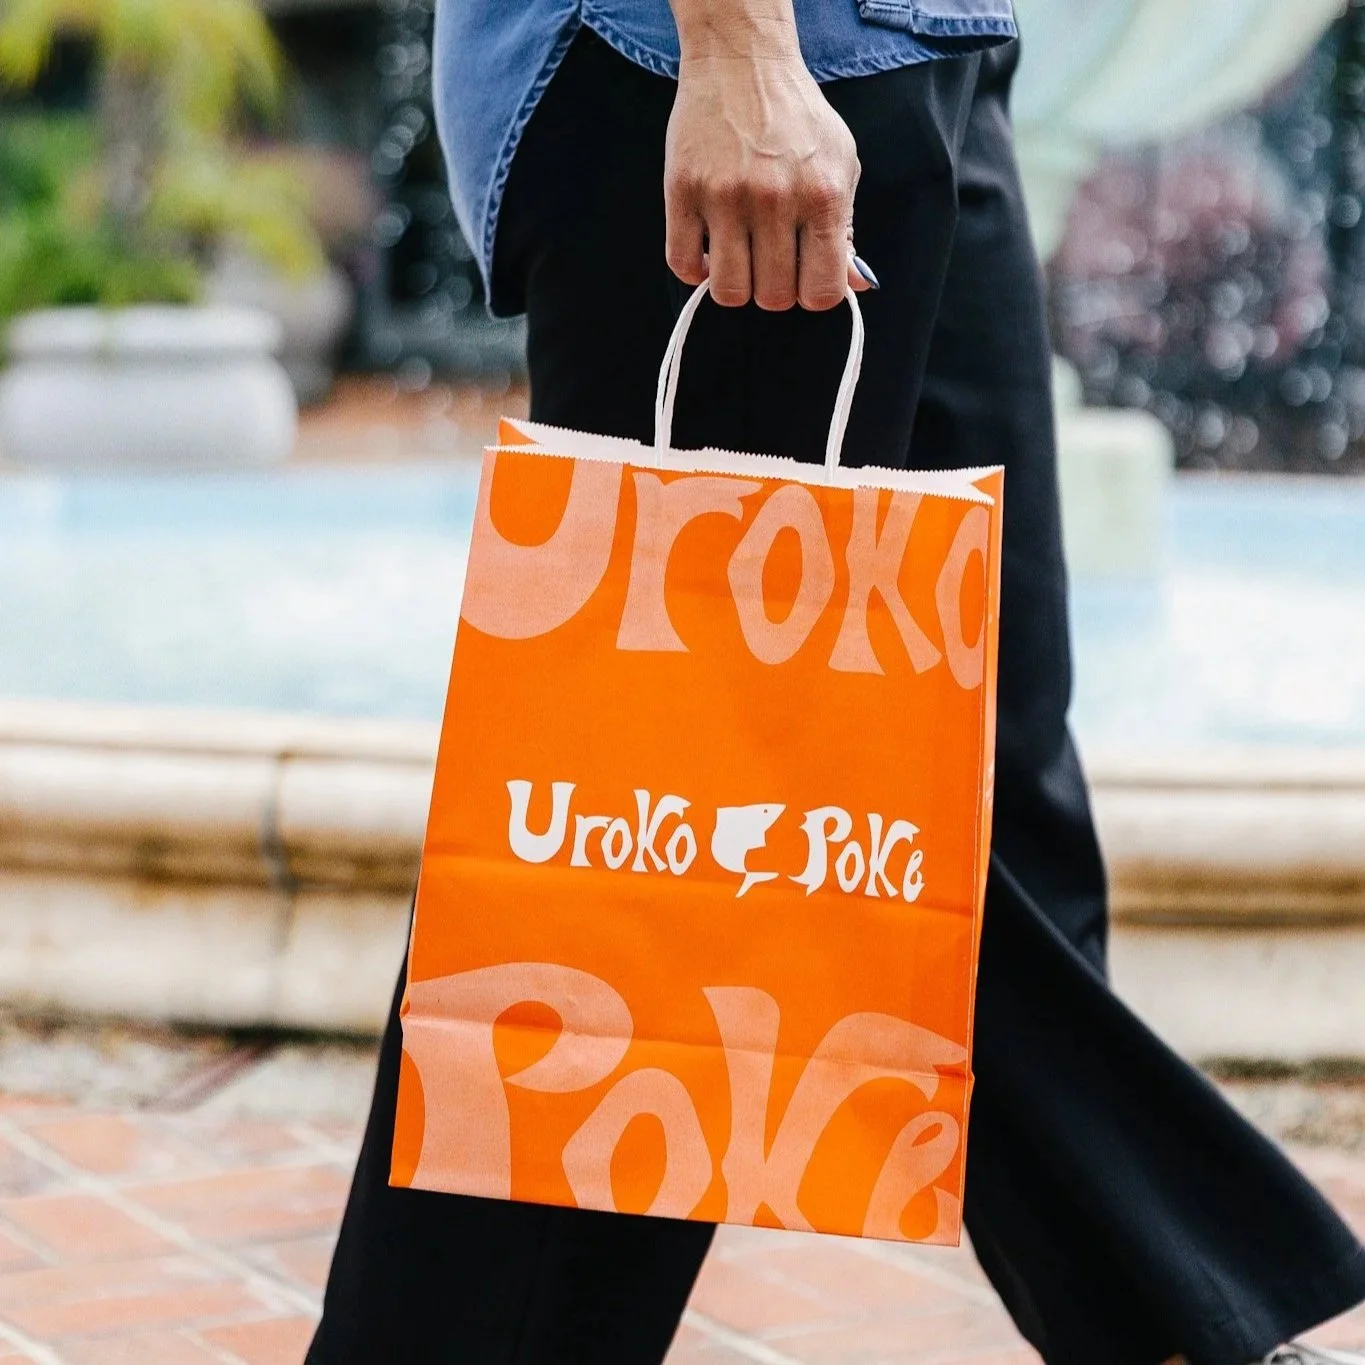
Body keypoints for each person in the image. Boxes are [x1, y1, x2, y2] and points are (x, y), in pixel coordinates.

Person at [307, 2, 1365, 1362]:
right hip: (720, 66)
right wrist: (736, 43)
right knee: (638, 875)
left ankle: (1171, 1321)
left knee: (984, 797)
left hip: (923, 50)